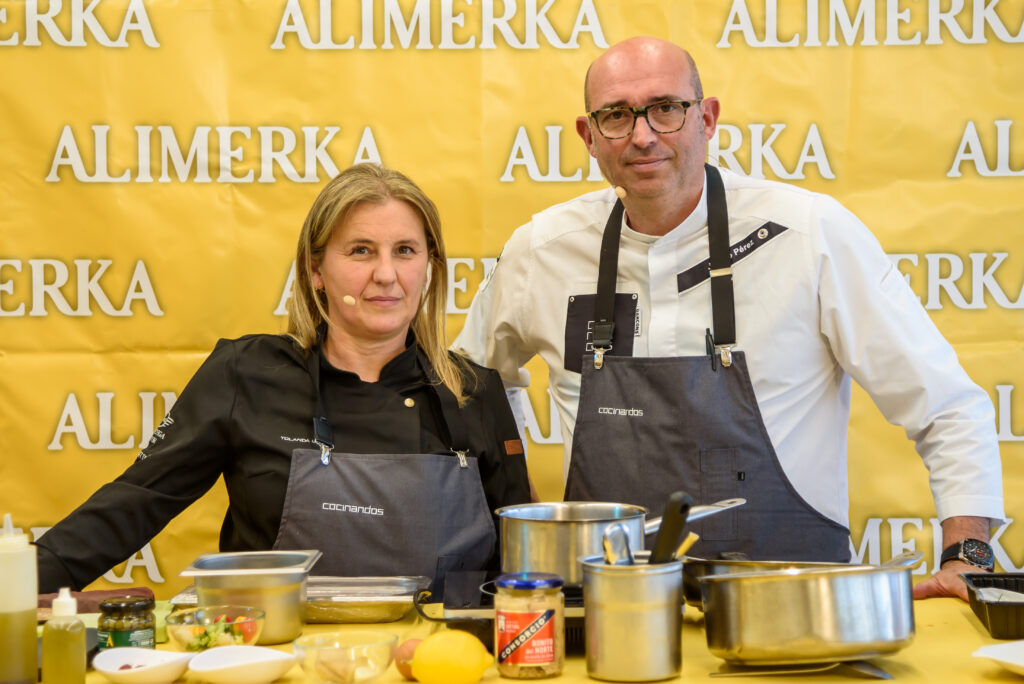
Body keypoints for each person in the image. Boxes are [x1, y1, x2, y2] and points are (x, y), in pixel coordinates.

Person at [454, 36, 1004, 600]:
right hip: (606, 613)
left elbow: (947, 406)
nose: (643, 136)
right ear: (588, 136)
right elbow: (468, 390)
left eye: (666, 109)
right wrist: (516, 510)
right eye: (615, 116)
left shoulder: (809, 234)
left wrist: (969, 555)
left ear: (707, 118)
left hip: (793, 616)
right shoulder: (541, 249)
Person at [37, 163, 532, 594]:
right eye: (360, 251)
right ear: (316, 269)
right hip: (271, 660)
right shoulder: (246, 374)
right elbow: (137, 502)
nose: (386, 274)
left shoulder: (475, 392)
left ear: (429, 267)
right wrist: (21, 583)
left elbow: (519, 565)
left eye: (405, 250)